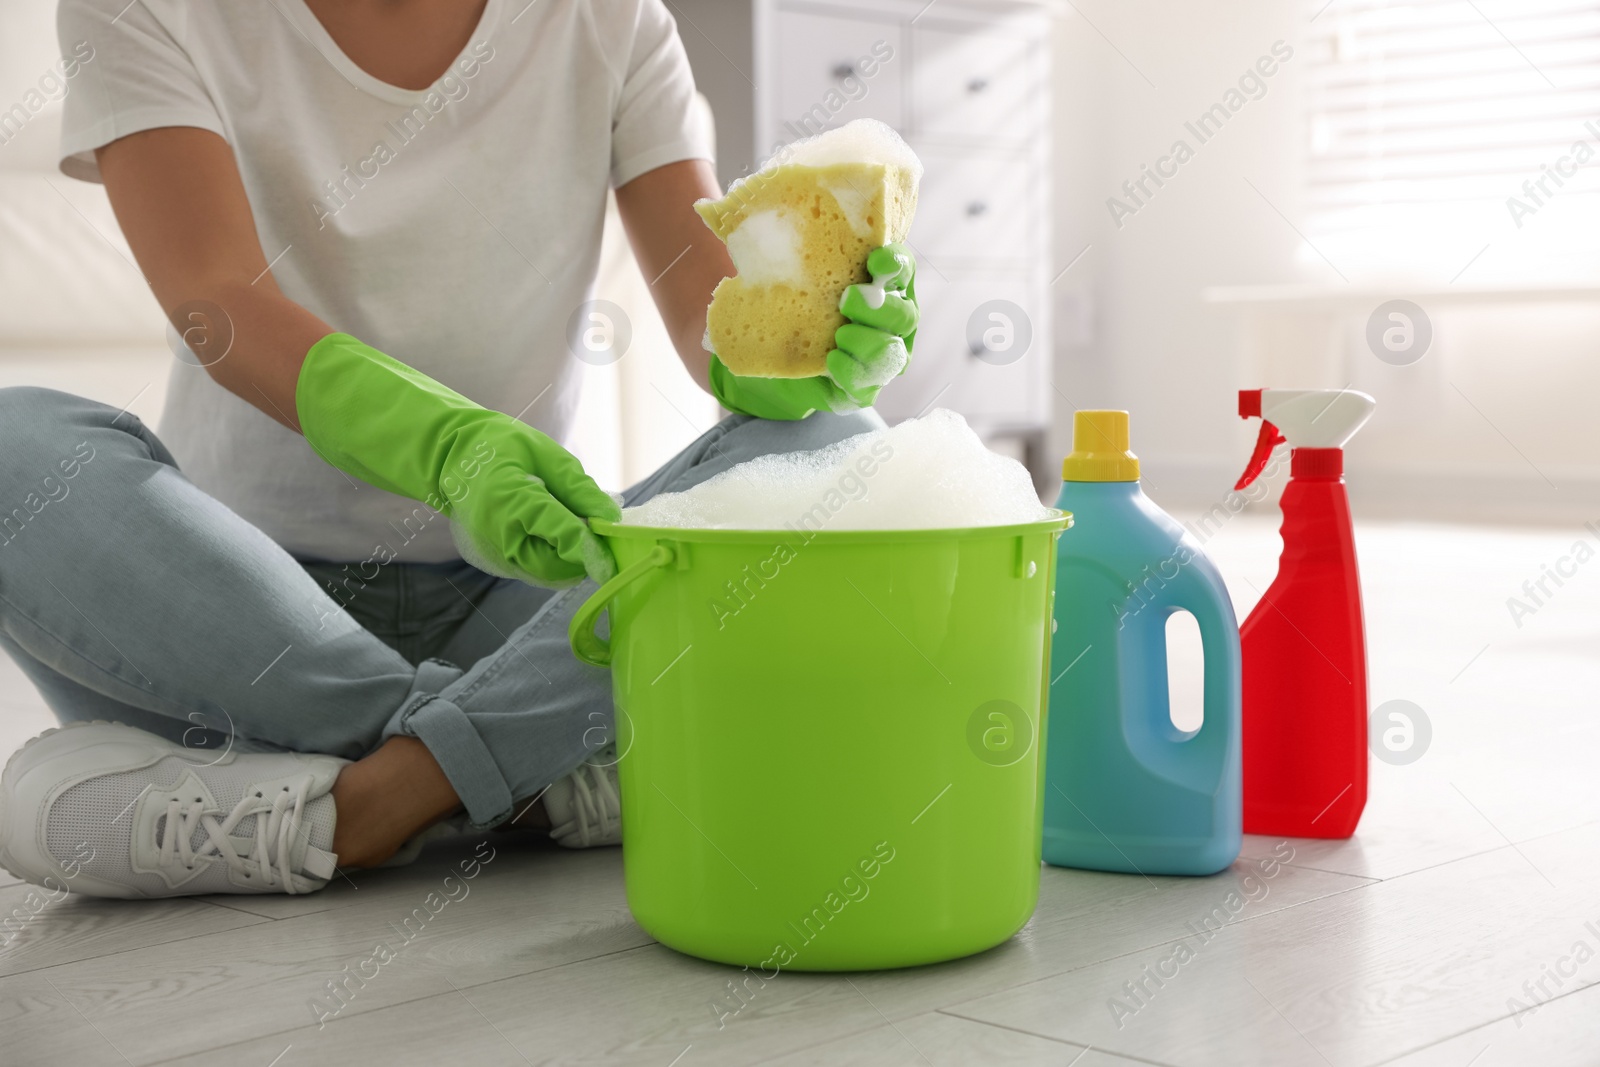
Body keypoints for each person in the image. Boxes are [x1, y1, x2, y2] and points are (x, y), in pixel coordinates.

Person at [0, 0, 916, 898]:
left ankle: (357, 805)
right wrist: (451, 450)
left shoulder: (615, 20)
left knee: (837, 443)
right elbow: (216, 298)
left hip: (515, 607)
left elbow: (712, 316)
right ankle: (519, 774)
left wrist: (793, 362)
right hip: (241, 623)